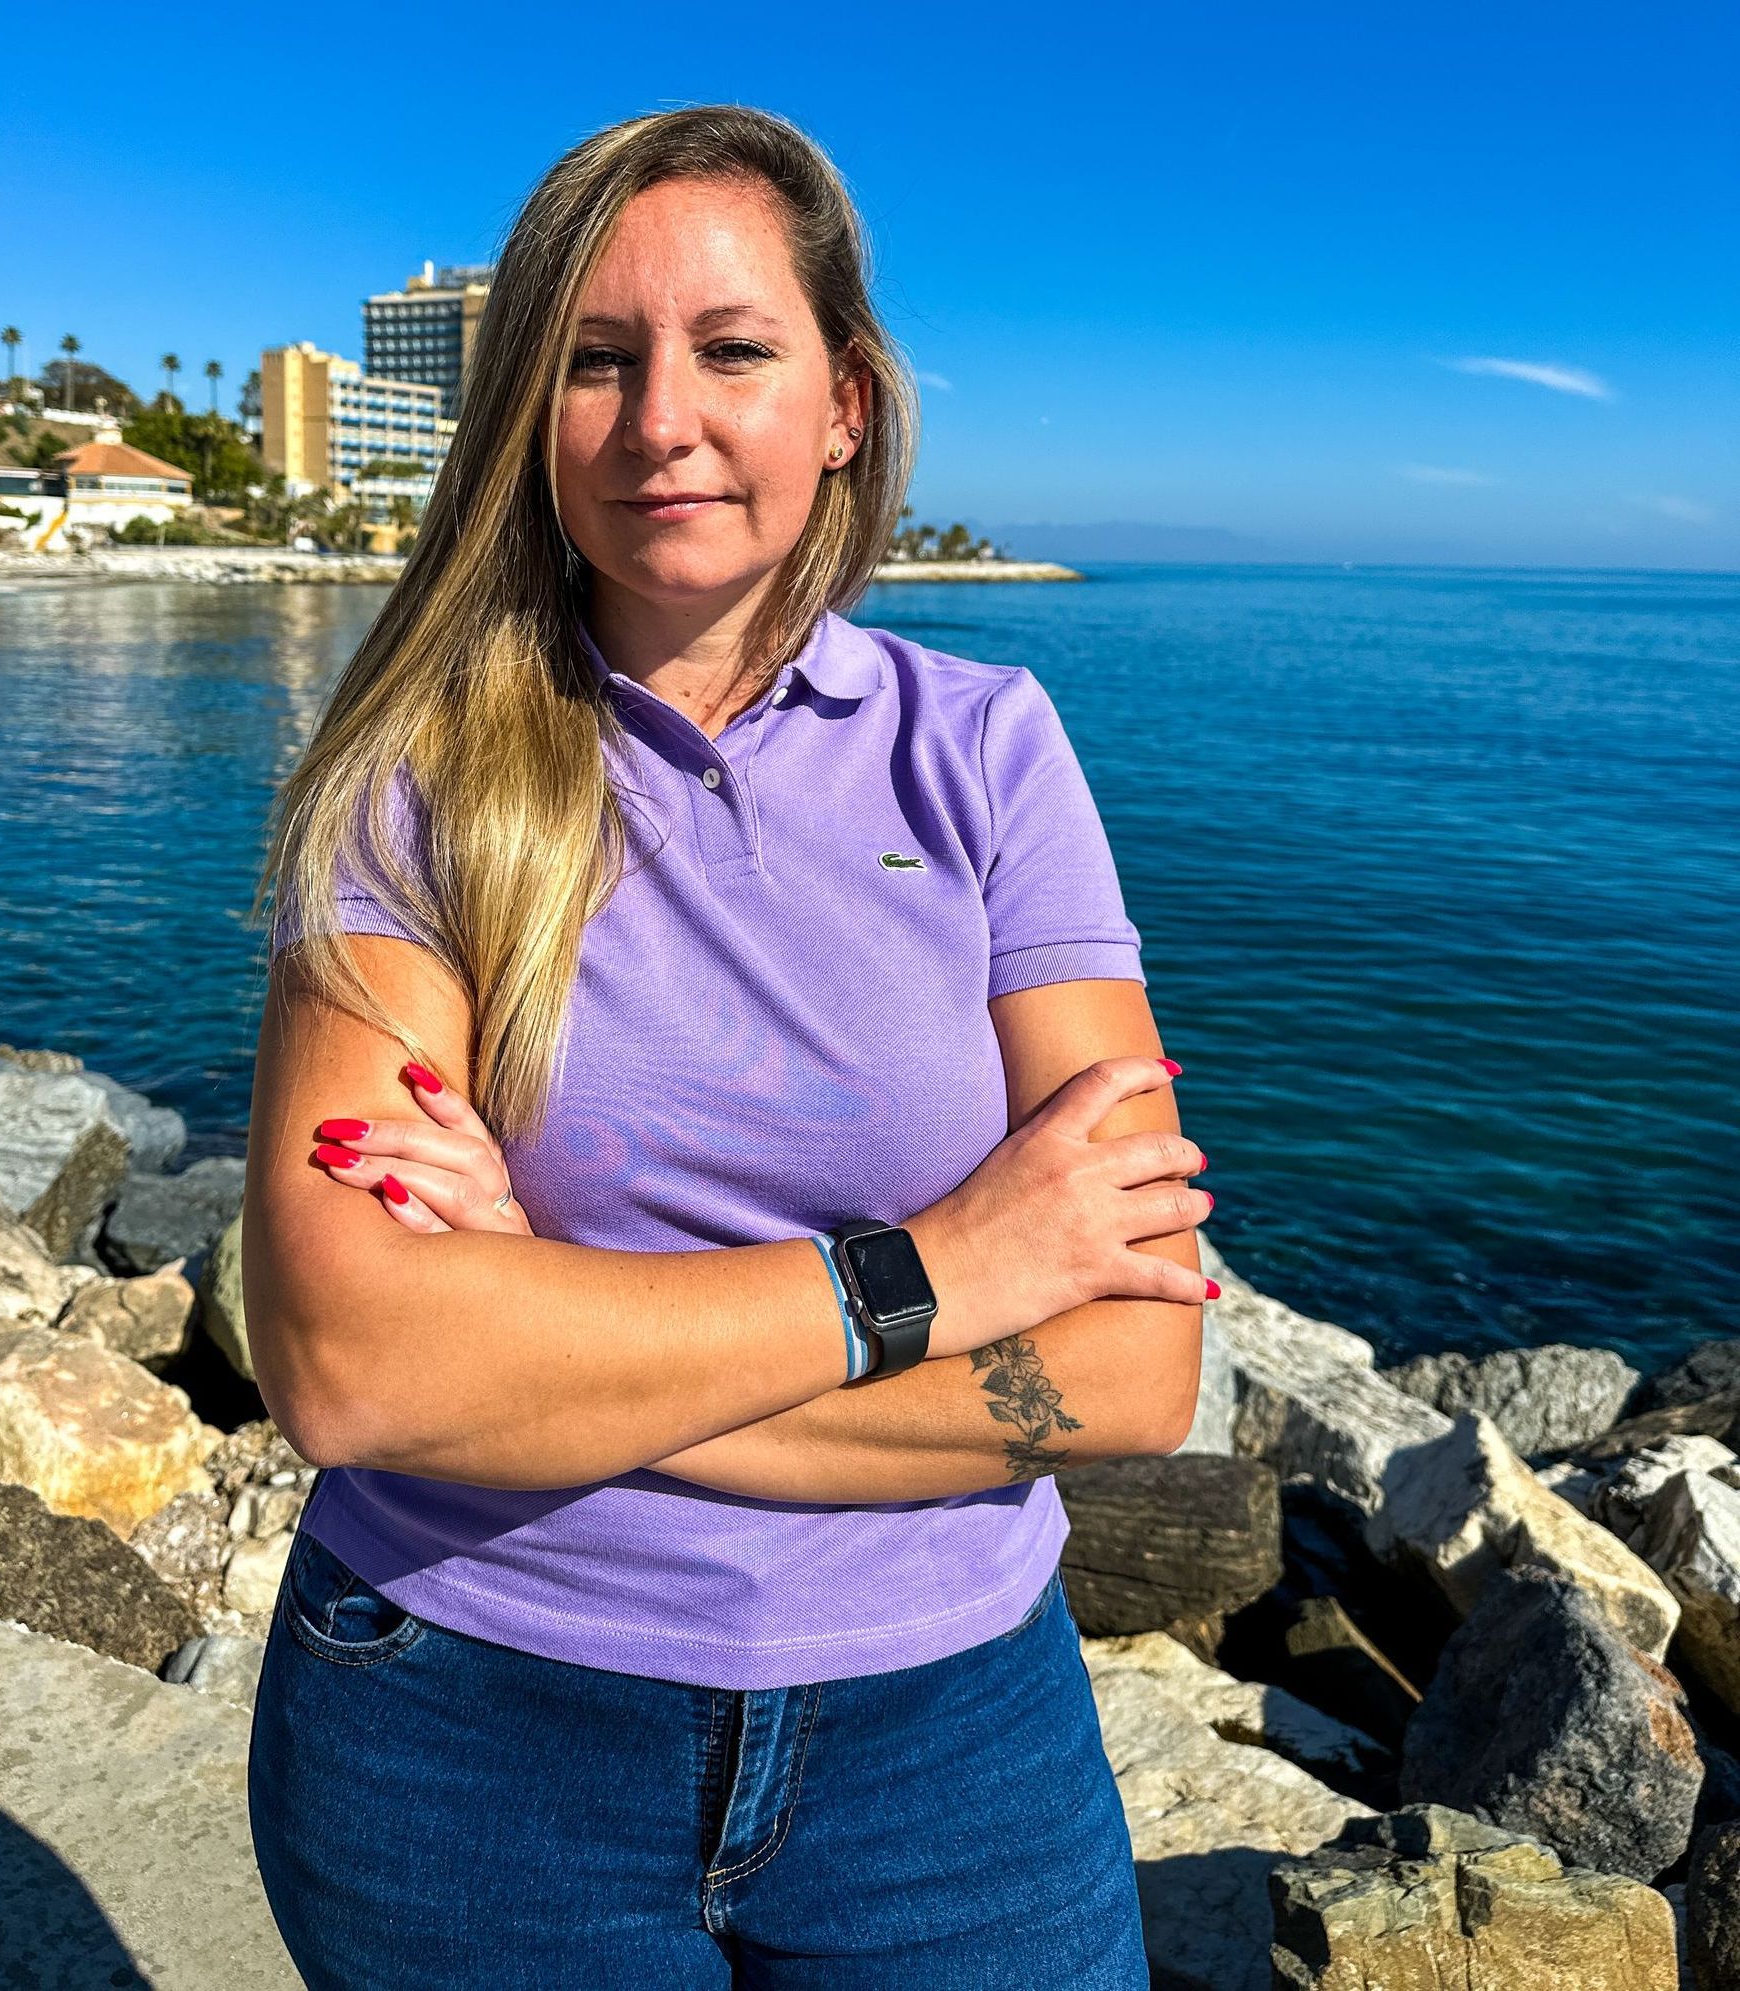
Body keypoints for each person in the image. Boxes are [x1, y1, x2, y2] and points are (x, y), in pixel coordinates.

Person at [241, 102, 1215, 1990]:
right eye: (594, 361)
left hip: (955, 1751)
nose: (659, 419)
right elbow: (356, 1367)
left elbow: (1138, 1369)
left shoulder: (992, 747)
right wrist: (935, 1273)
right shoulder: (417, 775)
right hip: (469, 1723)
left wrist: (547, 1322)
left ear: (843, 401)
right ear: (528, 407)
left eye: (733, 349)